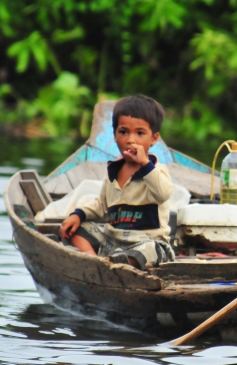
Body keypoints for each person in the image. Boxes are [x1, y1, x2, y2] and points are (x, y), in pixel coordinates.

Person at [59, 94, 174, 269]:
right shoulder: (113, 172)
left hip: (147, 243)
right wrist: (78, 214)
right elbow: (102, 207)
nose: (131, 140)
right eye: (123, 132)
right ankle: (92, 259)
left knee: (153, 250)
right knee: (75, 229)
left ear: (154, 139)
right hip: (113, 244)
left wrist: (144, 164)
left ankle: (120, 265)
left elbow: (163, 193)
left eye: (140, 133)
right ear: (114, 135)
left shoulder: (156, 171)